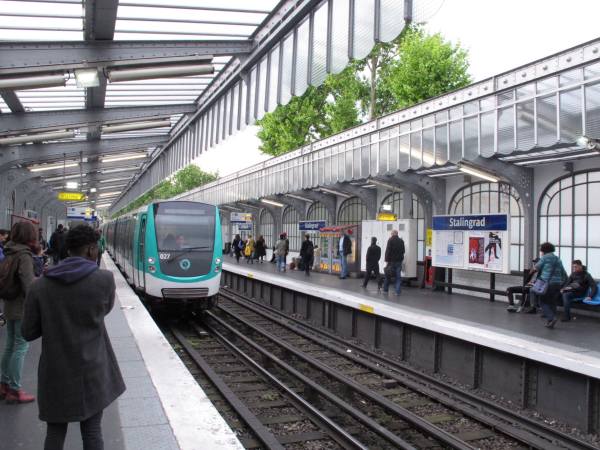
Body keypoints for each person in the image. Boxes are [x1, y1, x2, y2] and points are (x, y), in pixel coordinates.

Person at [22, 225, 126, 450]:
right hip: (93, 370)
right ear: (90, 250)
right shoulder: (105, 280)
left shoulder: (39, 286)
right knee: (92, 431)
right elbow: (102, 312)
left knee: (55, 432)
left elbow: (28, 332)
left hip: (55, 372)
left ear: (68, 250)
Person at [0, 221, 37, 404]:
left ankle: (3, 384)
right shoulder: (24, 256)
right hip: (22, 307)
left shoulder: (8, 251)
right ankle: (15, 389)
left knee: (9, 345)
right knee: (21, 346)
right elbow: (29, 285)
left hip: (8, 305)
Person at [530, 242, 567, 329]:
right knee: (552, 302)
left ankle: (551, 318)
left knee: (542, 301)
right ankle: (550, 321)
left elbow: (536, 268)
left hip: (547, 283)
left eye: (541, 250)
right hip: (557, 284)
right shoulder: (558, 259)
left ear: (544, 250)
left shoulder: (545, 258)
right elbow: (563, 273)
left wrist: (531, 272)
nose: (540, 252)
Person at [383, 230, 405, 296]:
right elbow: (403, 251)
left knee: (388, 275)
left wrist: (386, 261)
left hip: (391, 262)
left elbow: (388, 251)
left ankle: (385, 290)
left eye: (391, 234)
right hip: (399, 261)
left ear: (392, 234)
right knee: (398, 277)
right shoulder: (401, 241)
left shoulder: (390, 240)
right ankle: (397, 292)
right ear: (397, 234)